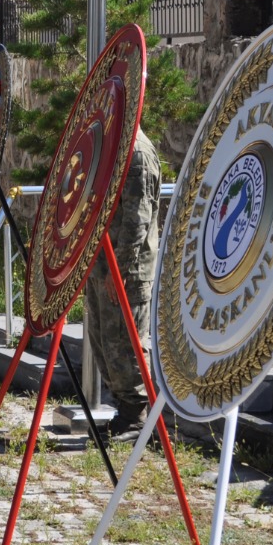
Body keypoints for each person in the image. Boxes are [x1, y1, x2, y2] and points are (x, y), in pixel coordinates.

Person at [87, 127, 160, 437]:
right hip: (103, 265)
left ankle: (137, 413)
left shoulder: (137, 153)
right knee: (103, 338)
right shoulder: (112, 145)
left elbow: (137, 219)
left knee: (125, 342)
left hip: (124, 270)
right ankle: (124, 408)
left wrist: (122, 270)